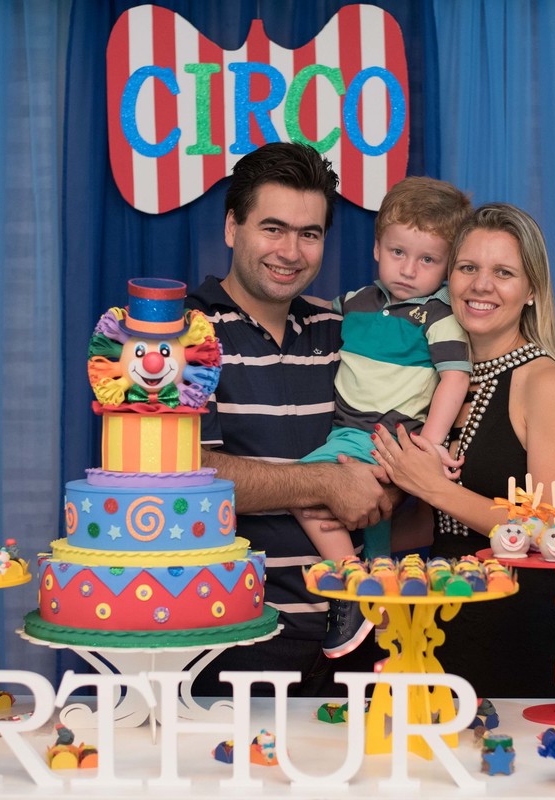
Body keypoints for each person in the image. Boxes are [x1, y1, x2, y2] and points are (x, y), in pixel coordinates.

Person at [185, 142, 394, 696]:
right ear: (232, 227)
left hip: (358, 639)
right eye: (272, 228)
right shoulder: (180, 335)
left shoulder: (342, 330)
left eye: (310, 233)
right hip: (229, 641)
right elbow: (181, 477)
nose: (291, 251)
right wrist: (324, 482)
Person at [369, 202, 555, 698]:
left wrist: (431, 486)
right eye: (468, 268)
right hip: (429, 615)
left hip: (509, 623)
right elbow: (422, 521)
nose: (481, 285)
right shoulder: (436, 376)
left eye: (503, 273)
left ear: (531, 291)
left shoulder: (546, 383)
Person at [295, 176, 473, 658]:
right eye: (398, 252)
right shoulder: (356, 303)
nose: (409, 270)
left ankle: (350, 590)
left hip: (390, 435)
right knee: (371, 519)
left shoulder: (439, 317)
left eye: (428, 260)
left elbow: (455, 377)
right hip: (350, 431)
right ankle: (378, 589)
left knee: (302, 486)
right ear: (377, 247)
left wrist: (430, 443)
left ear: (447, 266)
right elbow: (311, 313)